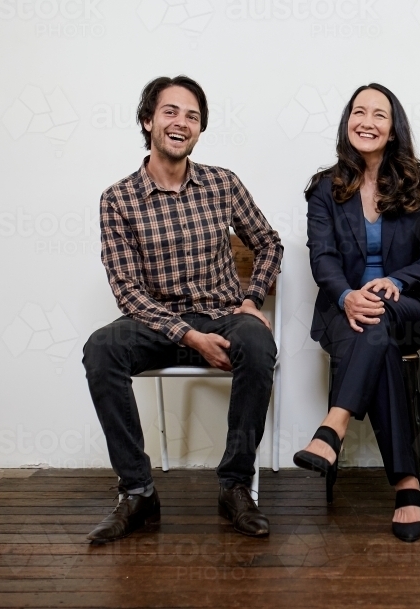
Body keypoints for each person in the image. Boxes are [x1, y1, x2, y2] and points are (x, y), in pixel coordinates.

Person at [82, 75, 282, 543]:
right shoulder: (117, 199)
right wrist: (188, 336)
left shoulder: (222, 183)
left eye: (192, 116)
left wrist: (251, 300)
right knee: (101, 348)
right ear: (148, 121)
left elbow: (269, 243)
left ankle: (235, 486)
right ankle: (137, 491)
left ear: (199, 129)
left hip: (222, 315)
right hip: (157, 323)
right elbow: (127, 291)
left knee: (258, 342)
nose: (181, 122)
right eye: (170, 112)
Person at [293, 83, 420, 542]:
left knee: (379, 317)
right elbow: (321, 257)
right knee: (374, 335)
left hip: (408, 306)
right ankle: (407, 485)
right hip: (344, 312)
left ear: (393, 127)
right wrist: (346, 296)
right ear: (347, 123)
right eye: (358, 112)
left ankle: (332, 426)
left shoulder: (418, 183)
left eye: (379, 115)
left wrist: (395, 281)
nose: (367, 121)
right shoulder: (325, 187)